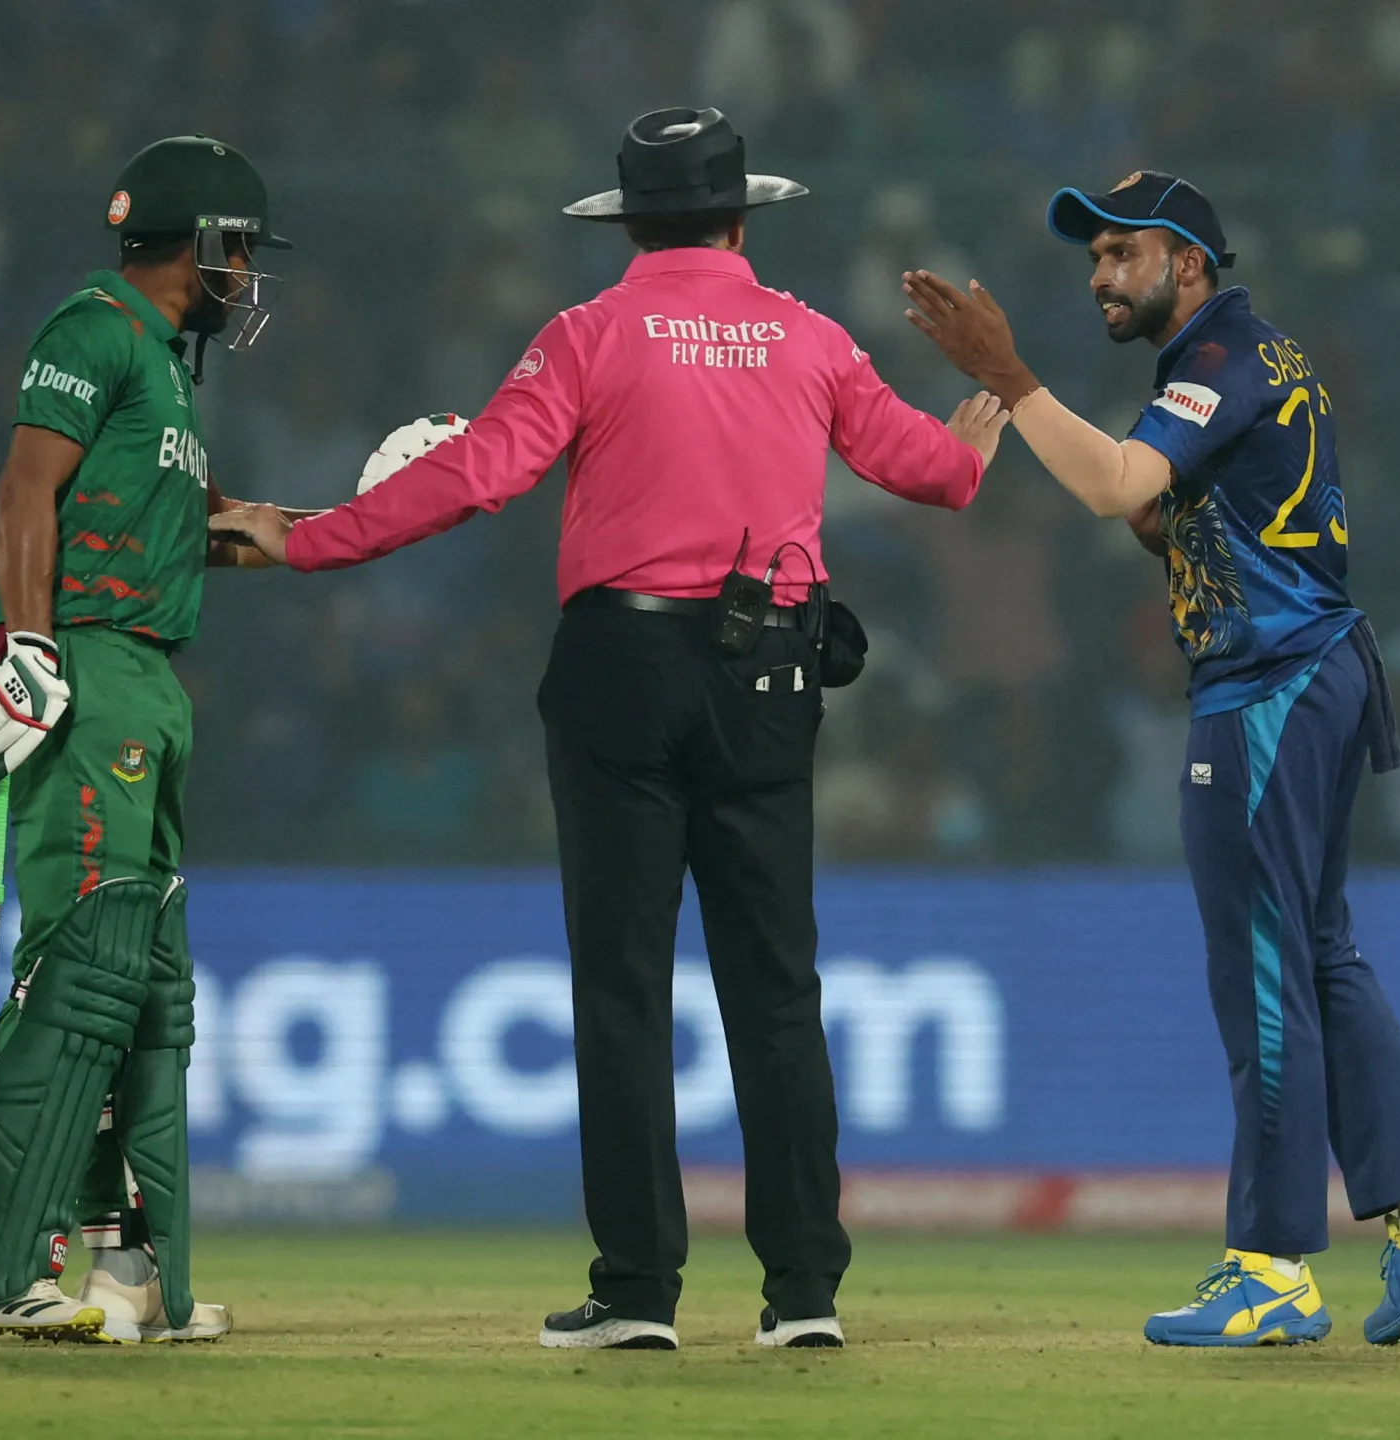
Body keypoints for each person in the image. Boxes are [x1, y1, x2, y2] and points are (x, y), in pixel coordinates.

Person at [213, 106, 1007, 1351]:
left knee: (624, 986)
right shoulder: (808, 338)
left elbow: (477, 473)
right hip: (770, 675)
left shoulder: (589, 334)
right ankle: (803, 1295)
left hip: (623, 667)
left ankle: (638, 1293)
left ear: (630, 222)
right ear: (744, 215)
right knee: (776, 991)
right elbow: (937, 477)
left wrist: (308, 536)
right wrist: (981, 419)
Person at [902, 171, 1400, 1348]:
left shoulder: (1219, 360)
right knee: (1322, 954)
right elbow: (1170, 515)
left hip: (1269, 688)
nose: (1098, 276)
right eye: (1093, 258)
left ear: (1190, 262)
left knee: (1264, 973)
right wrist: (1159, 522)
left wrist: (1009, 380)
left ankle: (1272, 1265)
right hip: (1316, 669)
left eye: (1122, 253)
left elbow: (1112, 486)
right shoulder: (1248, 360)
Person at [0, 134, 300, 1343]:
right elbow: (20, 491)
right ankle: (3, 1262)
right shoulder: (91, 328)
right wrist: (31, 650)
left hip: (149, 680)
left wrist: (381, 505)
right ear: (199, 243)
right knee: (88, 971)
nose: (247, 274)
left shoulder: (169, 375)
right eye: (239, 250)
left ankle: (131, 1275)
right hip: (87, 671)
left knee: (146, 990)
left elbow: (203, 535)